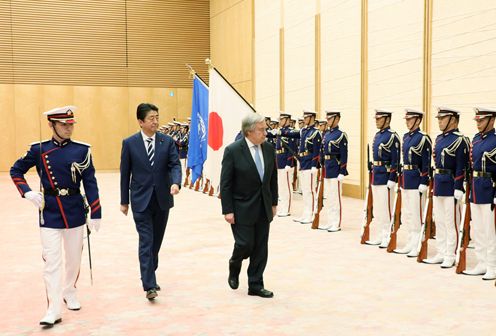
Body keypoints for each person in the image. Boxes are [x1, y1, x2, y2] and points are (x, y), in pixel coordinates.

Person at [10, 106, 102, 326]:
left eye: (71, 124)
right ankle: (53, 309)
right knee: (52, 262)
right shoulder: (38, 149)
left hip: (74, 211)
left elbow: (90, 182)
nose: (68, 128)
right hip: (49, 211)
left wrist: (96, 211)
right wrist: (28, 192)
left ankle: (69, 290)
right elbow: (16, 170)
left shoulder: (82, 150)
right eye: (63, 124)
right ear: (51, 125)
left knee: (73, 259)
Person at [120, 103, 182, 300]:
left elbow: (174, 165)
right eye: (151, 118)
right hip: (140, 199)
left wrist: (176, 183)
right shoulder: (129, 143)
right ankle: (149, 285)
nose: (156, 121)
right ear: (140, 122)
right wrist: (124, 201)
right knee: (146, 241)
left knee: (156, 242)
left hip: (163, 199)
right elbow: (125, 174)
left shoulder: (167, 141)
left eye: (157, 117)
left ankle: (150, 272)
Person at [220, 113, 278, 298]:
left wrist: (274, 203)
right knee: (245, 244)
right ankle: (235, 263)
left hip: (263, 206)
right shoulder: (233, 150)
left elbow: (272, 179)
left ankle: (255, 284)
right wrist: (227, 210)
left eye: (265, 129)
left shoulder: (268, 149)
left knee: (261, 247)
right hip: (241, 207)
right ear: (249, 131)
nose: (265, 133)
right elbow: (226, 183)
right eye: (261, 130)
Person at [423, 107, 469, 268]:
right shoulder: (439, 139)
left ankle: (451, 254)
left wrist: (458, 186)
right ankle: (441, 252)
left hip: (451, 185)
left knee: (451, 222)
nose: (439, 121)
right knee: (440, 221)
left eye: (443, 118)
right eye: (439, 118)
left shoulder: (461, 139)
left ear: (453, 120)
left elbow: (461, 166)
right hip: (438, 183)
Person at [463, 107, 496, 279]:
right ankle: (482, 262)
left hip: (489, 189)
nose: (478, 124)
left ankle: (492, 265)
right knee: (478, 230)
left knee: (490, 230)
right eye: (477, 121)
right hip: (475, 188)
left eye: (481, 120)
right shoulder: (475, 140)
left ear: (492, 120)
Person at [394, 109, 432, 257]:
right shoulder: (406, 137)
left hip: (417, 179)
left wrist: (424, 180)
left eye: (410, 119)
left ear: (418, 120)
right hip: (407, 179)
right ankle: (410, 241)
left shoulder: (423, 138)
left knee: (417, 214)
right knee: (408, 213)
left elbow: (426, 162)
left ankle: (418, 243)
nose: (407, 122)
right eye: (406, 119)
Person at [365, 109, 401, 247]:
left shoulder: (392, 136)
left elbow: (395, 159)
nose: (376, 121)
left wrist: (392, 177)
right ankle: (381, 234)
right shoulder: (377, 135)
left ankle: (388, 235)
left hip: (386, 176)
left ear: (387, 119)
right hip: (377, 175)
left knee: (386, 208)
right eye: (376, 118)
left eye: (379, 119)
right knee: (379, 209)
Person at [280, 110, 322, 224]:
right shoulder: (304, 130)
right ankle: (305, 213)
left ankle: (312, 214)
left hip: (310, 164)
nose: (304, 119)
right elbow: (292, 134)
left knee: (310, 191)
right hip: (303, 163)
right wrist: (280, 132)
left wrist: (314, 165)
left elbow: (317, 151)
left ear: (312, 117)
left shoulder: (316, 133)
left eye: (306, 117)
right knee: (304, 190)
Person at [319, 110, 348, 232]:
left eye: (330, 118)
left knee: (335, 198)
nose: (328, 121)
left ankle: (336, 223)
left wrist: (342, 170)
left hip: (336, 169)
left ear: (337, 119)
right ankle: (330, 221)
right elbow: (322, 150)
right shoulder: (326, 134)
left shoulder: (341, 135)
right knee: (329, 197)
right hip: (327, 168)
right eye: (328, 118)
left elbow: (344, 154)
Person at [274, 112, 296, 217]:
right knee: (281, 187)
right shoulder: (280, 131)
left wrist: (288, 163)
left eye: (282, 119)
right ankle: (282, 207)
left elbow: (291, 149)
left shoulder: (290, 132)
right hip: (279, 162)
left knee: (287, 187)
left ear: (287, 120)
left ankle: (287, 209)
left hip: (286, 164)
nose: (280, 121)